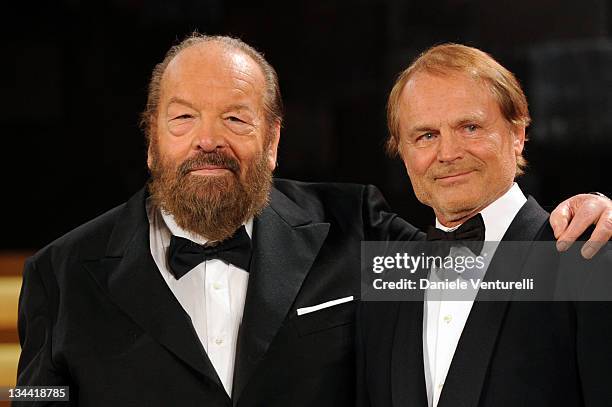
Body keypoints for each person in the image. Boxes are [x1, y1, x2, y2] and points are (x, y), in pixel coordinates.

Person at [16, 35, 611, 407]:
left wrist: (598, 214)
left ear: (273, 140)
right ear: (151, 140)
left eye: (237, 120)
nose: (208, 140)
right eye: (183, 118)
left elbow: (482, 255)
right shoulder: (60, 272)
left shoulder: (355, 227)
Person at [357, 43, 612, 407]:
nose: (448, 153)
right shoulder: (387, 279)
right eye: (426, 135)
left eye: (470, 127)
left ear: (518, 134)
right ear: (402, 152)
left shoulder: (588, 258)